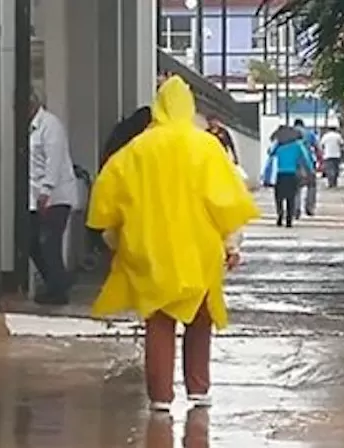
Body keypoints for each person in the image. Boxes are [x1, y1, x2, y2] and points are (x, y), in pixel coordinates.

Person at [87, 76, 259, 411]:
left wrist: (118, 243)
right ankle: (199, 389)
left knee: (160, 324)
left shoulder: (136, 149)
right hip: (200, 250)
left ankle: (161, 398)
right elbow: (226, 202)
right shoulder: (207, 147)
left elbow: (107, 201)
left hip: (152, 250)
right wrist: (231, 244)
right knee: (200, 320)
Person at [28, 90, 79, 305]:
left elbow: (54, 161)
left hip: (55, 197)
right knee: (31, 242)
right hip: (34, 196)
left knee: (49, 244)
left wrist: (46, 191)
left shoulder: (50, 125)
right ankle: (58, 281)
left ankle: (58, 291)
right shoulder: (29, 128)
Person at [267, 129, 315, 228]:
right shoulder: (298, 145)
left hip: (280, 174)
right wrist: (310, 171)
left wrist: (276, 143)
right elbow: (305, 159)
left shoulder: (279, 146)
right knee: (291, 197)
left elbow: (270, 153)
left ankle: (280, 214)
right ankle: (289, 219)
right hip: (292, 174)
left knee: (279, 197)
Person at [293, 119, 321, 216]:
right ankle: (309, 207)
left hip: (293, 164)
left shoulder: (289, 135)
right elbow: (318, 148)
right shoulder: (310, 134)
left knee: (296, 187)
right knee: (311, 185)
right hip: (307, 163)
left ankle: (295, 208)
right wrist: (320, 161)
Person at [319, 124, 344, 188]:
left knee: (329, 169)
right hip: (336, 155)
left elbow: (321, 144)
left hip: (327, 155)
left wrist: (323, 151)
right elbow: (342, 143)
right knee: (335, 169)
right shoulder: (338, 136)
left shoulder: (325, 136)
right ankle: (334, 183)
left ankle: (330, 182)